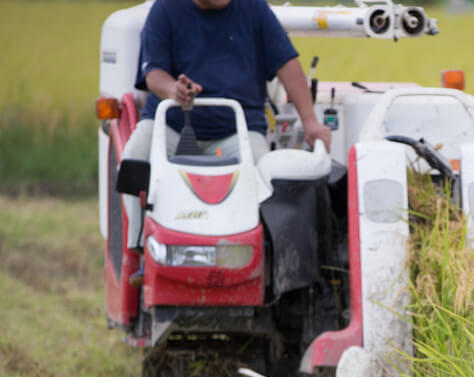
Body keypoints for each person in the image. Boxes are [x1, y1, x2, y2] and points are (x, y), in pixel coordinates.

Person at [121, 0, 331, 255]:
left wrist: (309, 121)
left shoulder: (254, 9)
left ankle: (261, 260)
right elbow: (154, 74)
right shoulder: (165, 9)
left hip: (237, 132)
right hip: (173, 126)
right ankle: (138, 247)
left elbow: (287, 63)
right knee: (134, 157)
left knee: (266, 177)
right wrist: (174, 90)